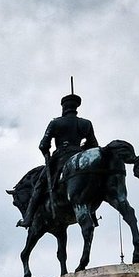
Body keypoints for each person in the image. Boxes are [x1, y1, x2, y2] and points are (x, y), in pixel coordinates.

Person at [27, 92, 99, 226]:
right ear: (76, 107)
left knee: (39, 185)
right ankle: (92, 214)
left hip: (60, 158)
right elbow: (94, 145)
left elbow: (43, 145)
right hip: (79, 157)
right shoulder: (86, 123)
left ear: (64, 107)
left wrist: (47, 154)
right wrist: (81, 150)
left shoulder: (56, 123)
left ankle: (28, 218)